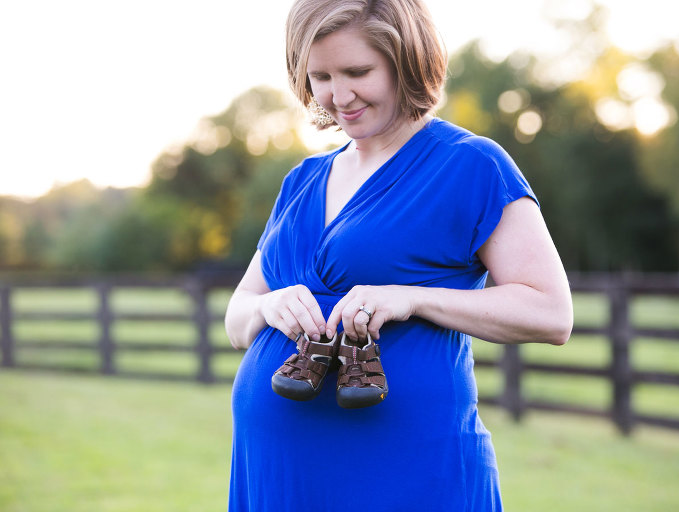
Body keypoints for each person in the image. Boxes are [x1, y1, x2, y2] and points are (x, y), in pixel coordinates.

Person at [224, 0, 573, 510]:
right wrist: (265, 307)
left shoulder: (470, 164)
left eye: (357, 71)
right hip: (279, 471)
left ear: (406, 59)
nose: (338, 96)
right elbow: (237, 320)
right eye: (320, 75)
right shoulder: (301, 180)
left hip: (408, 468)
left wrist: (411, 298)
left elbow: (550, 312)